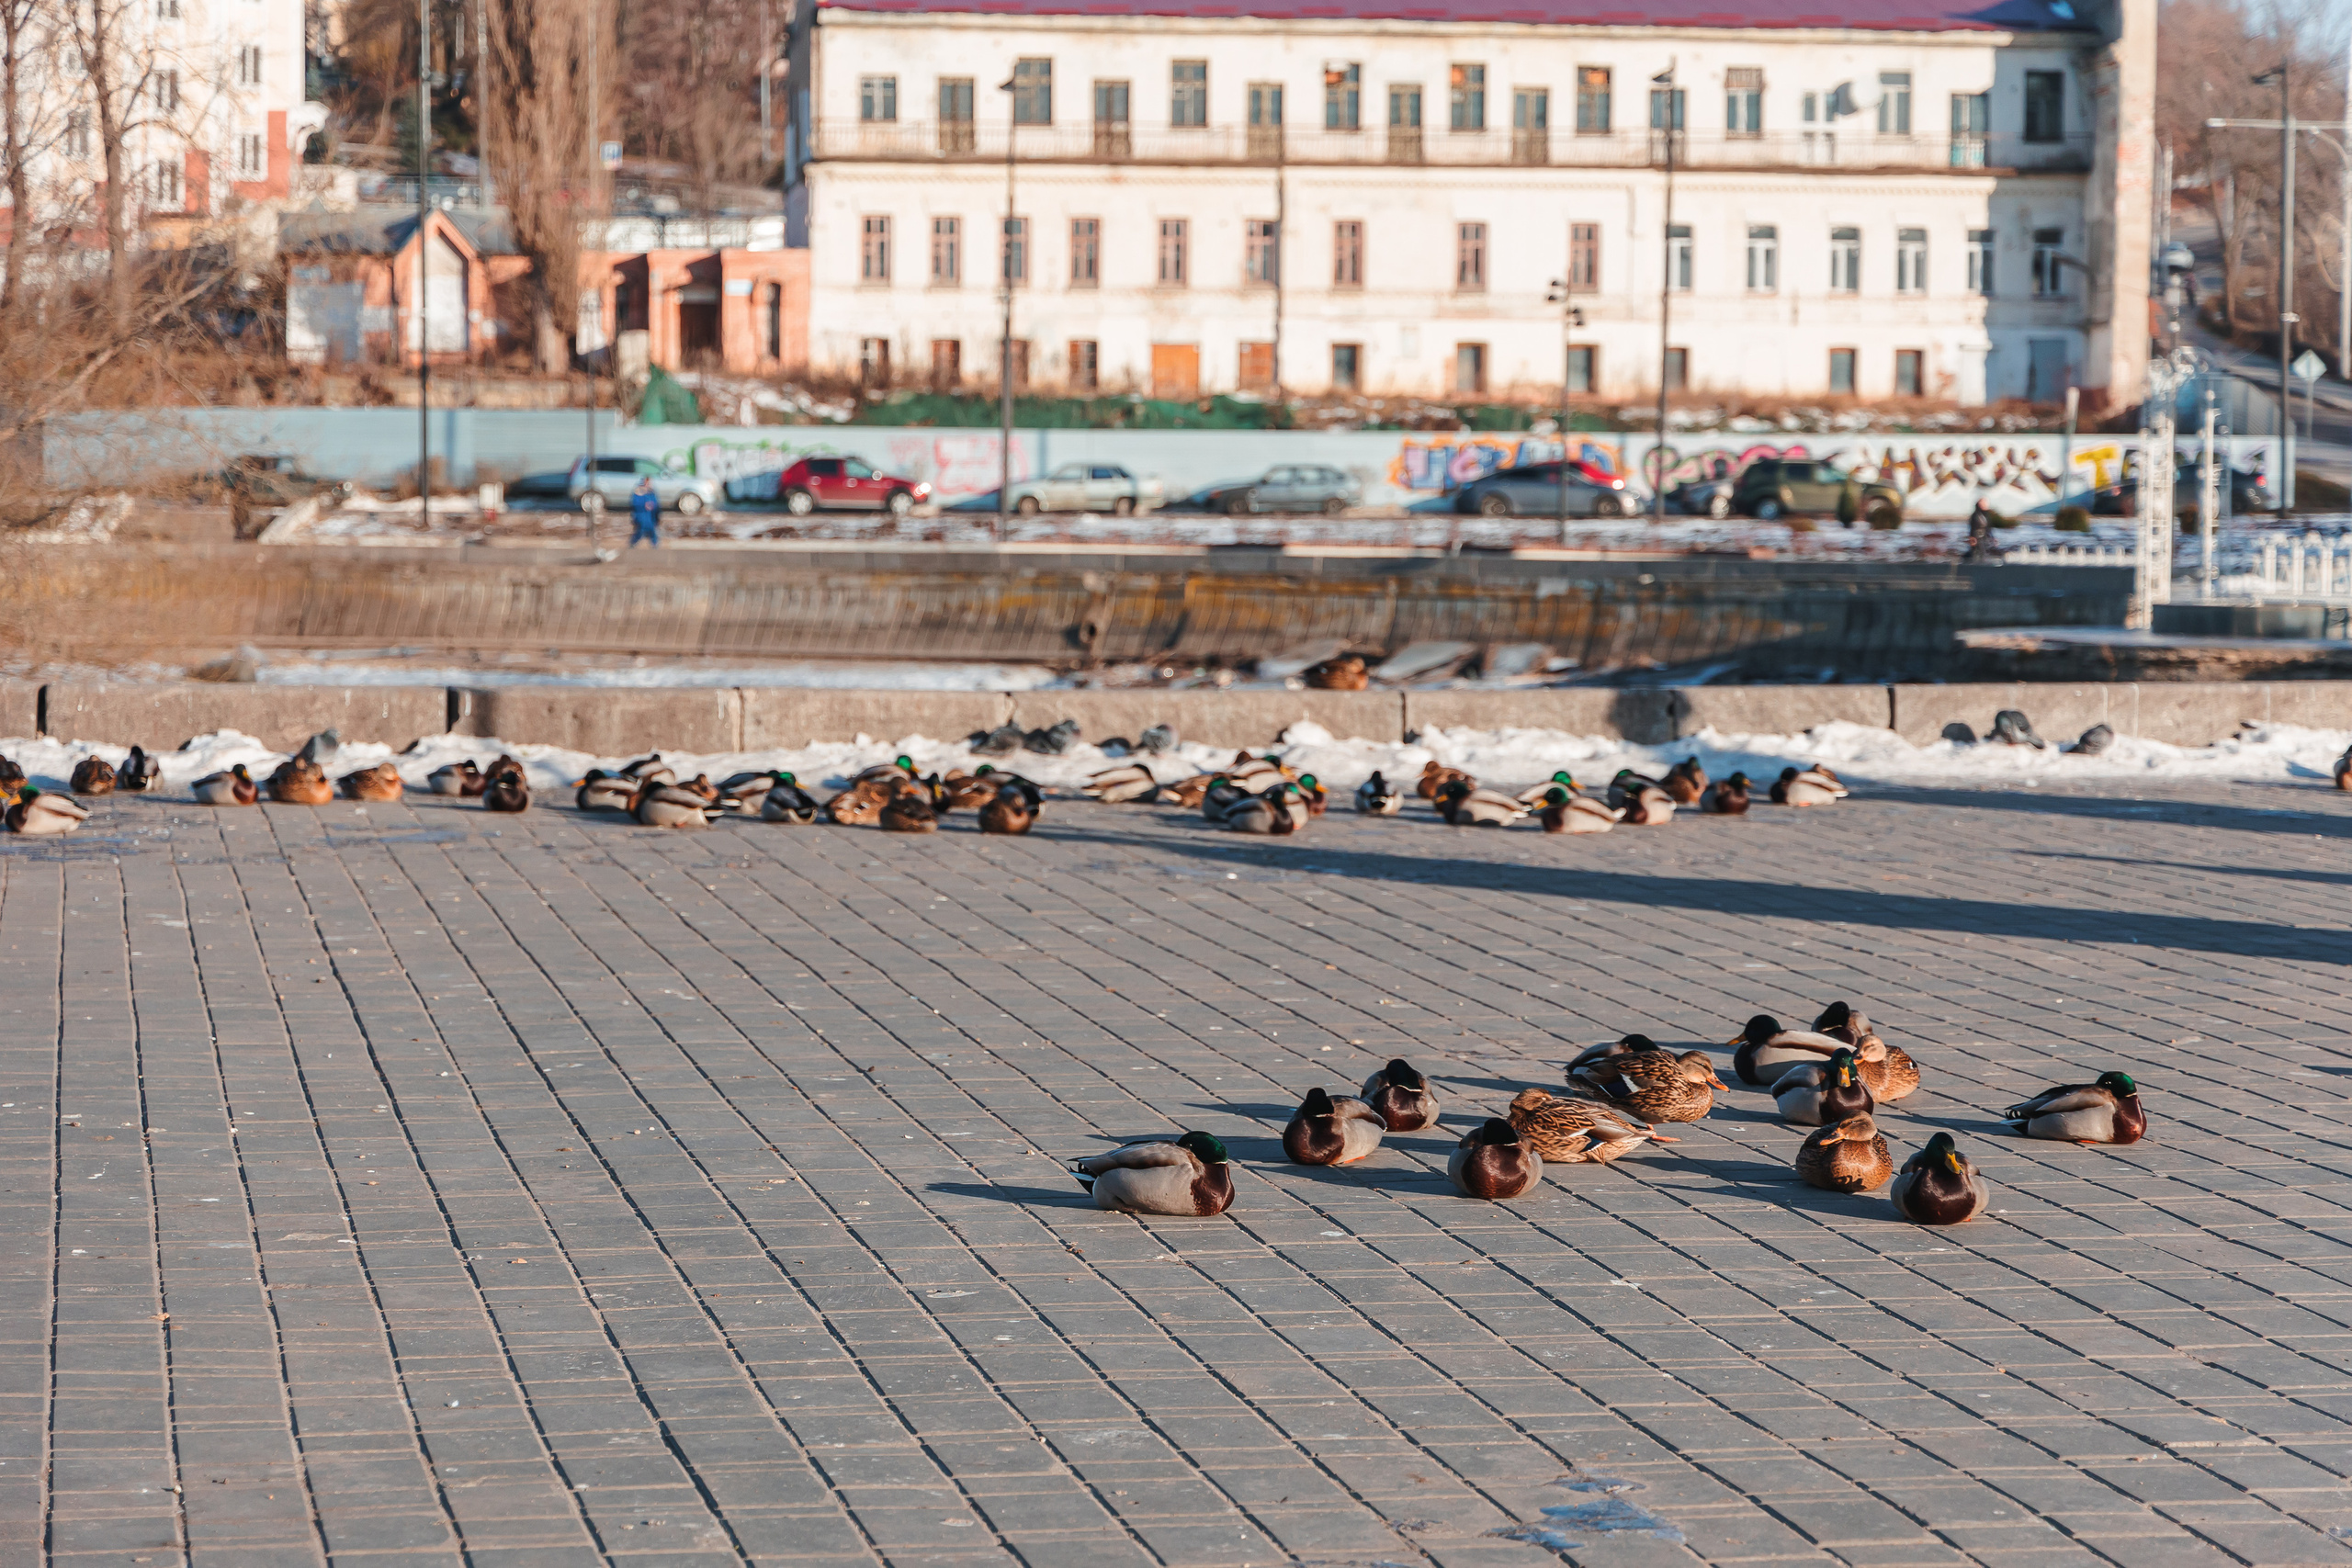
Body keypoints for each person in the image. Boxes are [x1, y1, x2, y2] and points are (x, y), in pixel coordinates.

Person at [628, 475, 661, 548]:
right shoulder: (638, 492)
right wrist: (644, 505)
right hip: (641, 515)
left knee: (652, 530)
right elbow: (634, 503)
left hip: (650, 516)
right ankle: (633, 542)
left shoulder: (651, 493)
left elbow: (656, 504)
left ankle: (654, 543)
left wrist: (653, 507)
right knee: (640, 530)